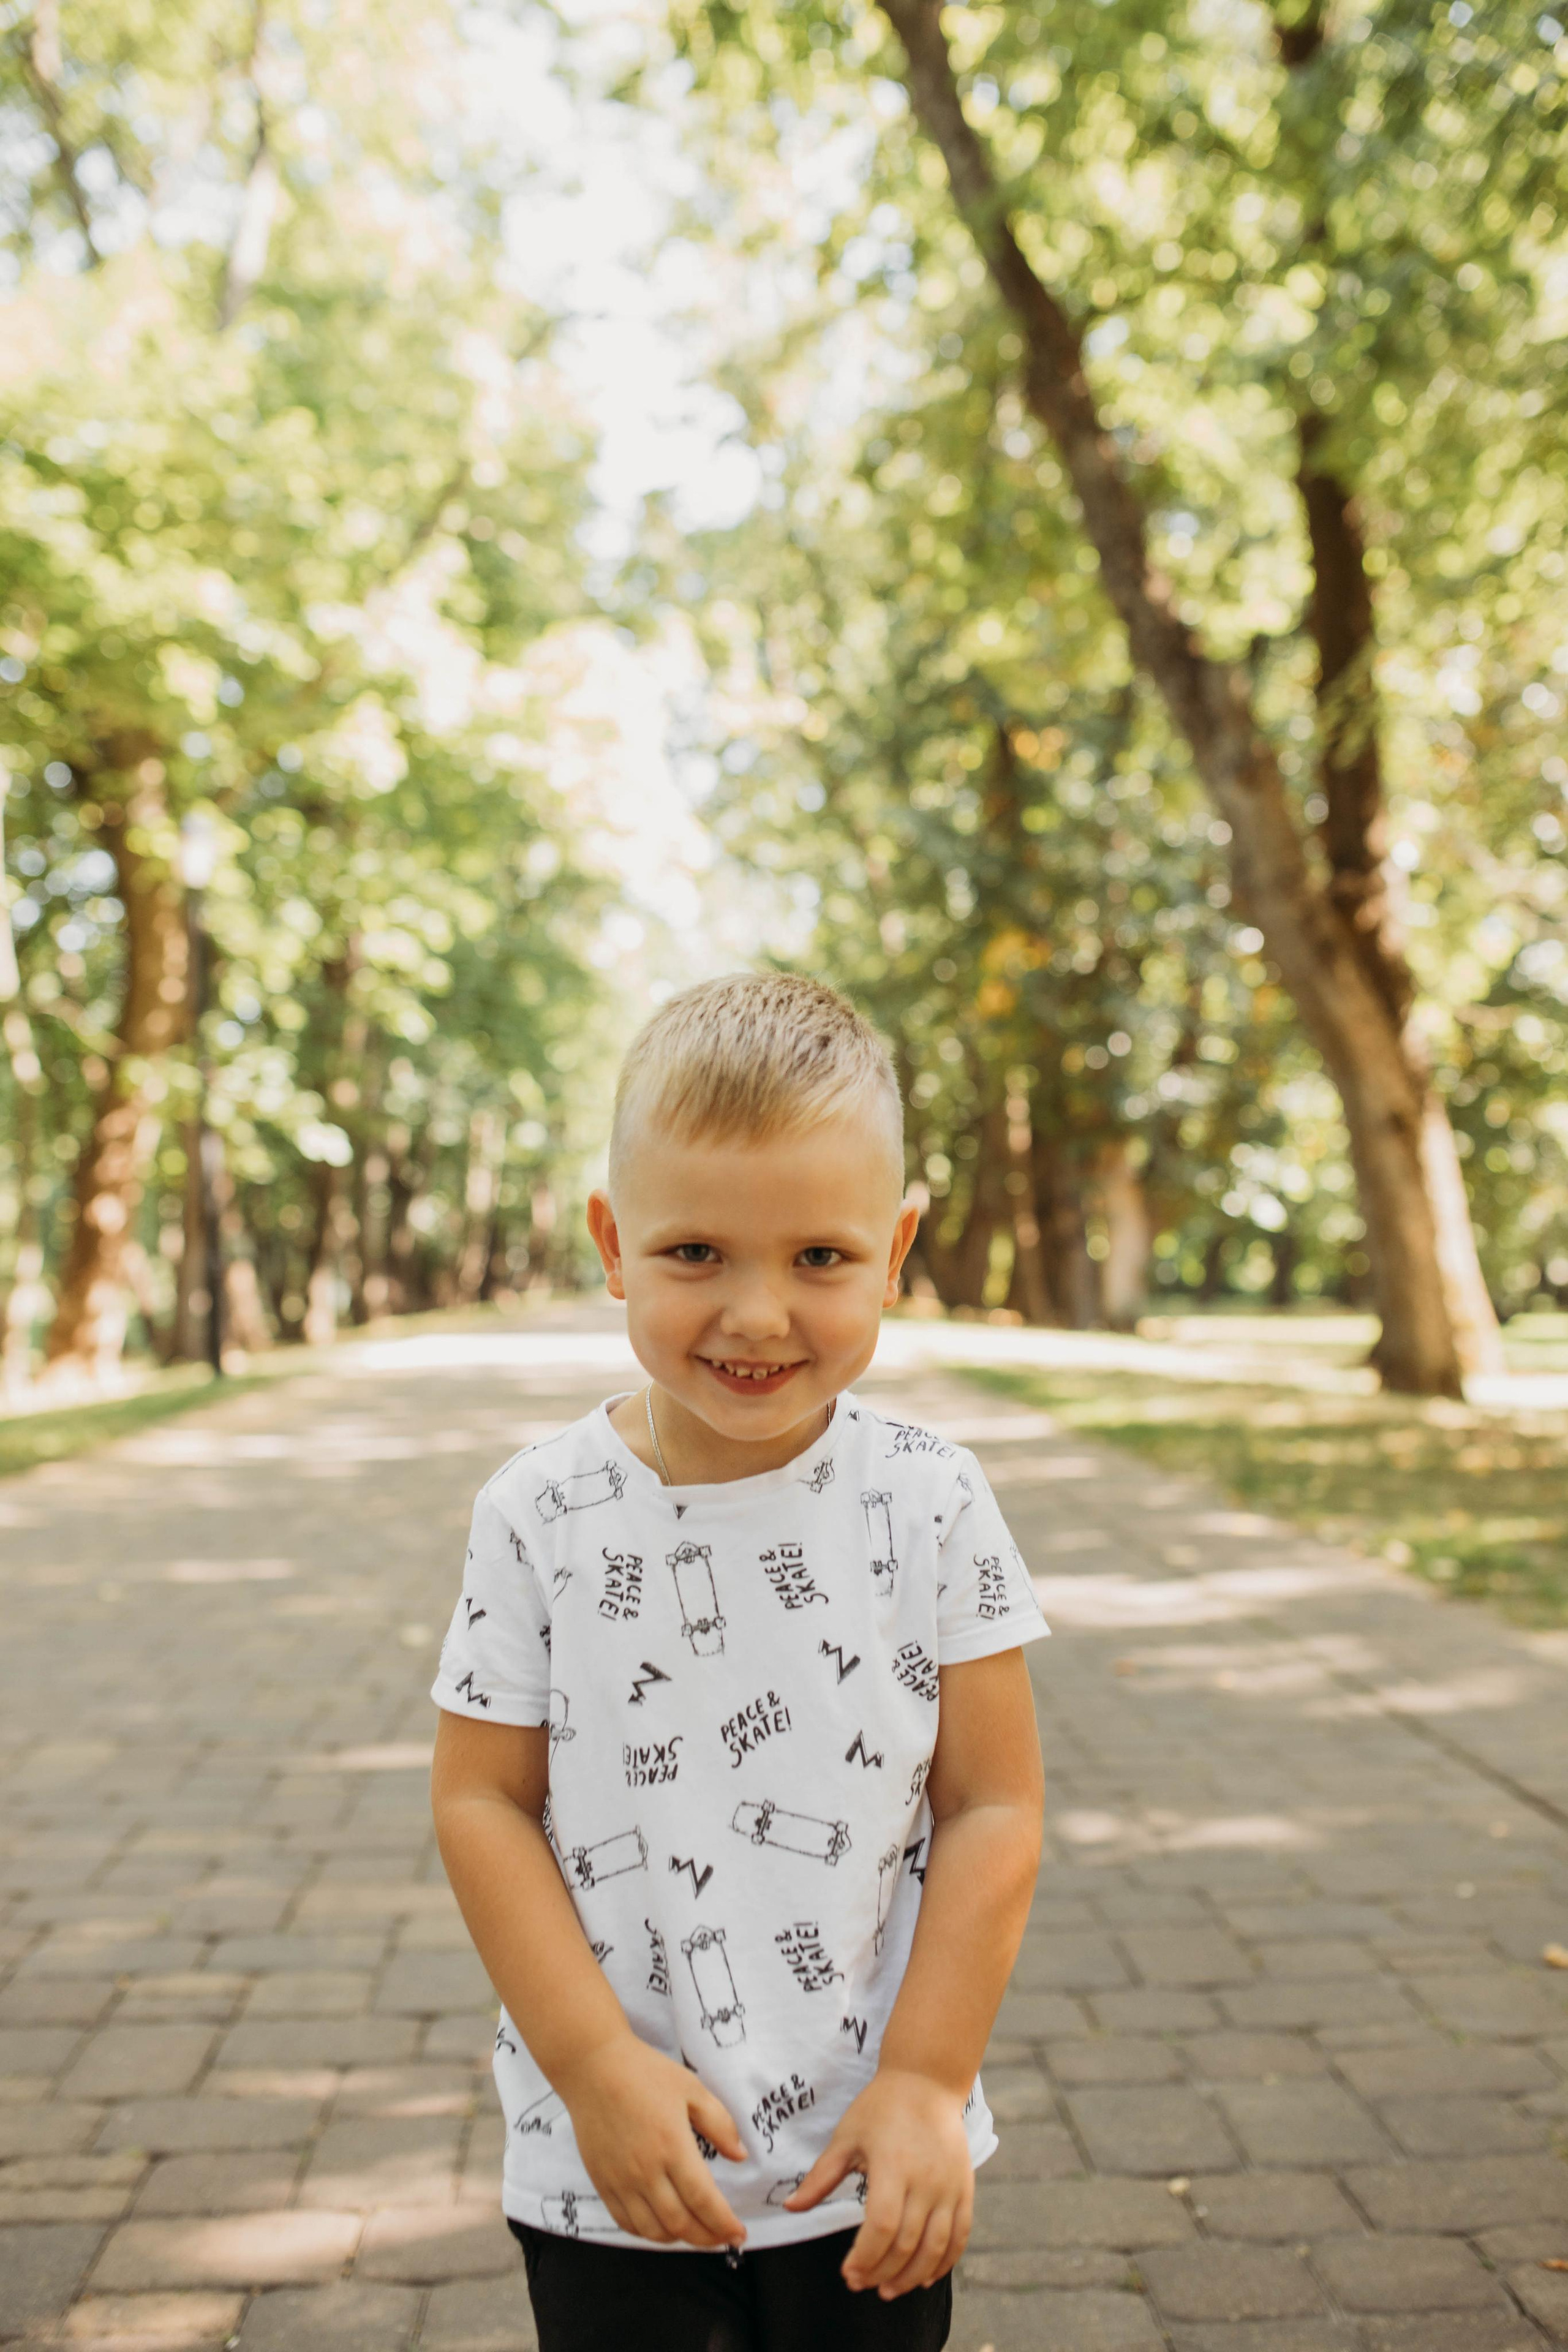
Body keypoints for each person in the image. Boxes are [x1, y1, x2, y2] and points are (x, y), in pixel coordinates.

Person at [430, 973, 1047, 2352]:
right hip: (612, 2157)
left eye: (818, 1259)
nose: (758, 1315)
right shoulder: (538, 1513)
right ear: (611, 1241)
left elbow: (993, 1805)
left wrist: (928, 2082)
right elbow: (480, 1802)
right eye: (696, 1253)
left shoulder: (931, 1501)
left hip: (866, 2150)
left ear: (892, 1249)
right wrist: (592, 2068)